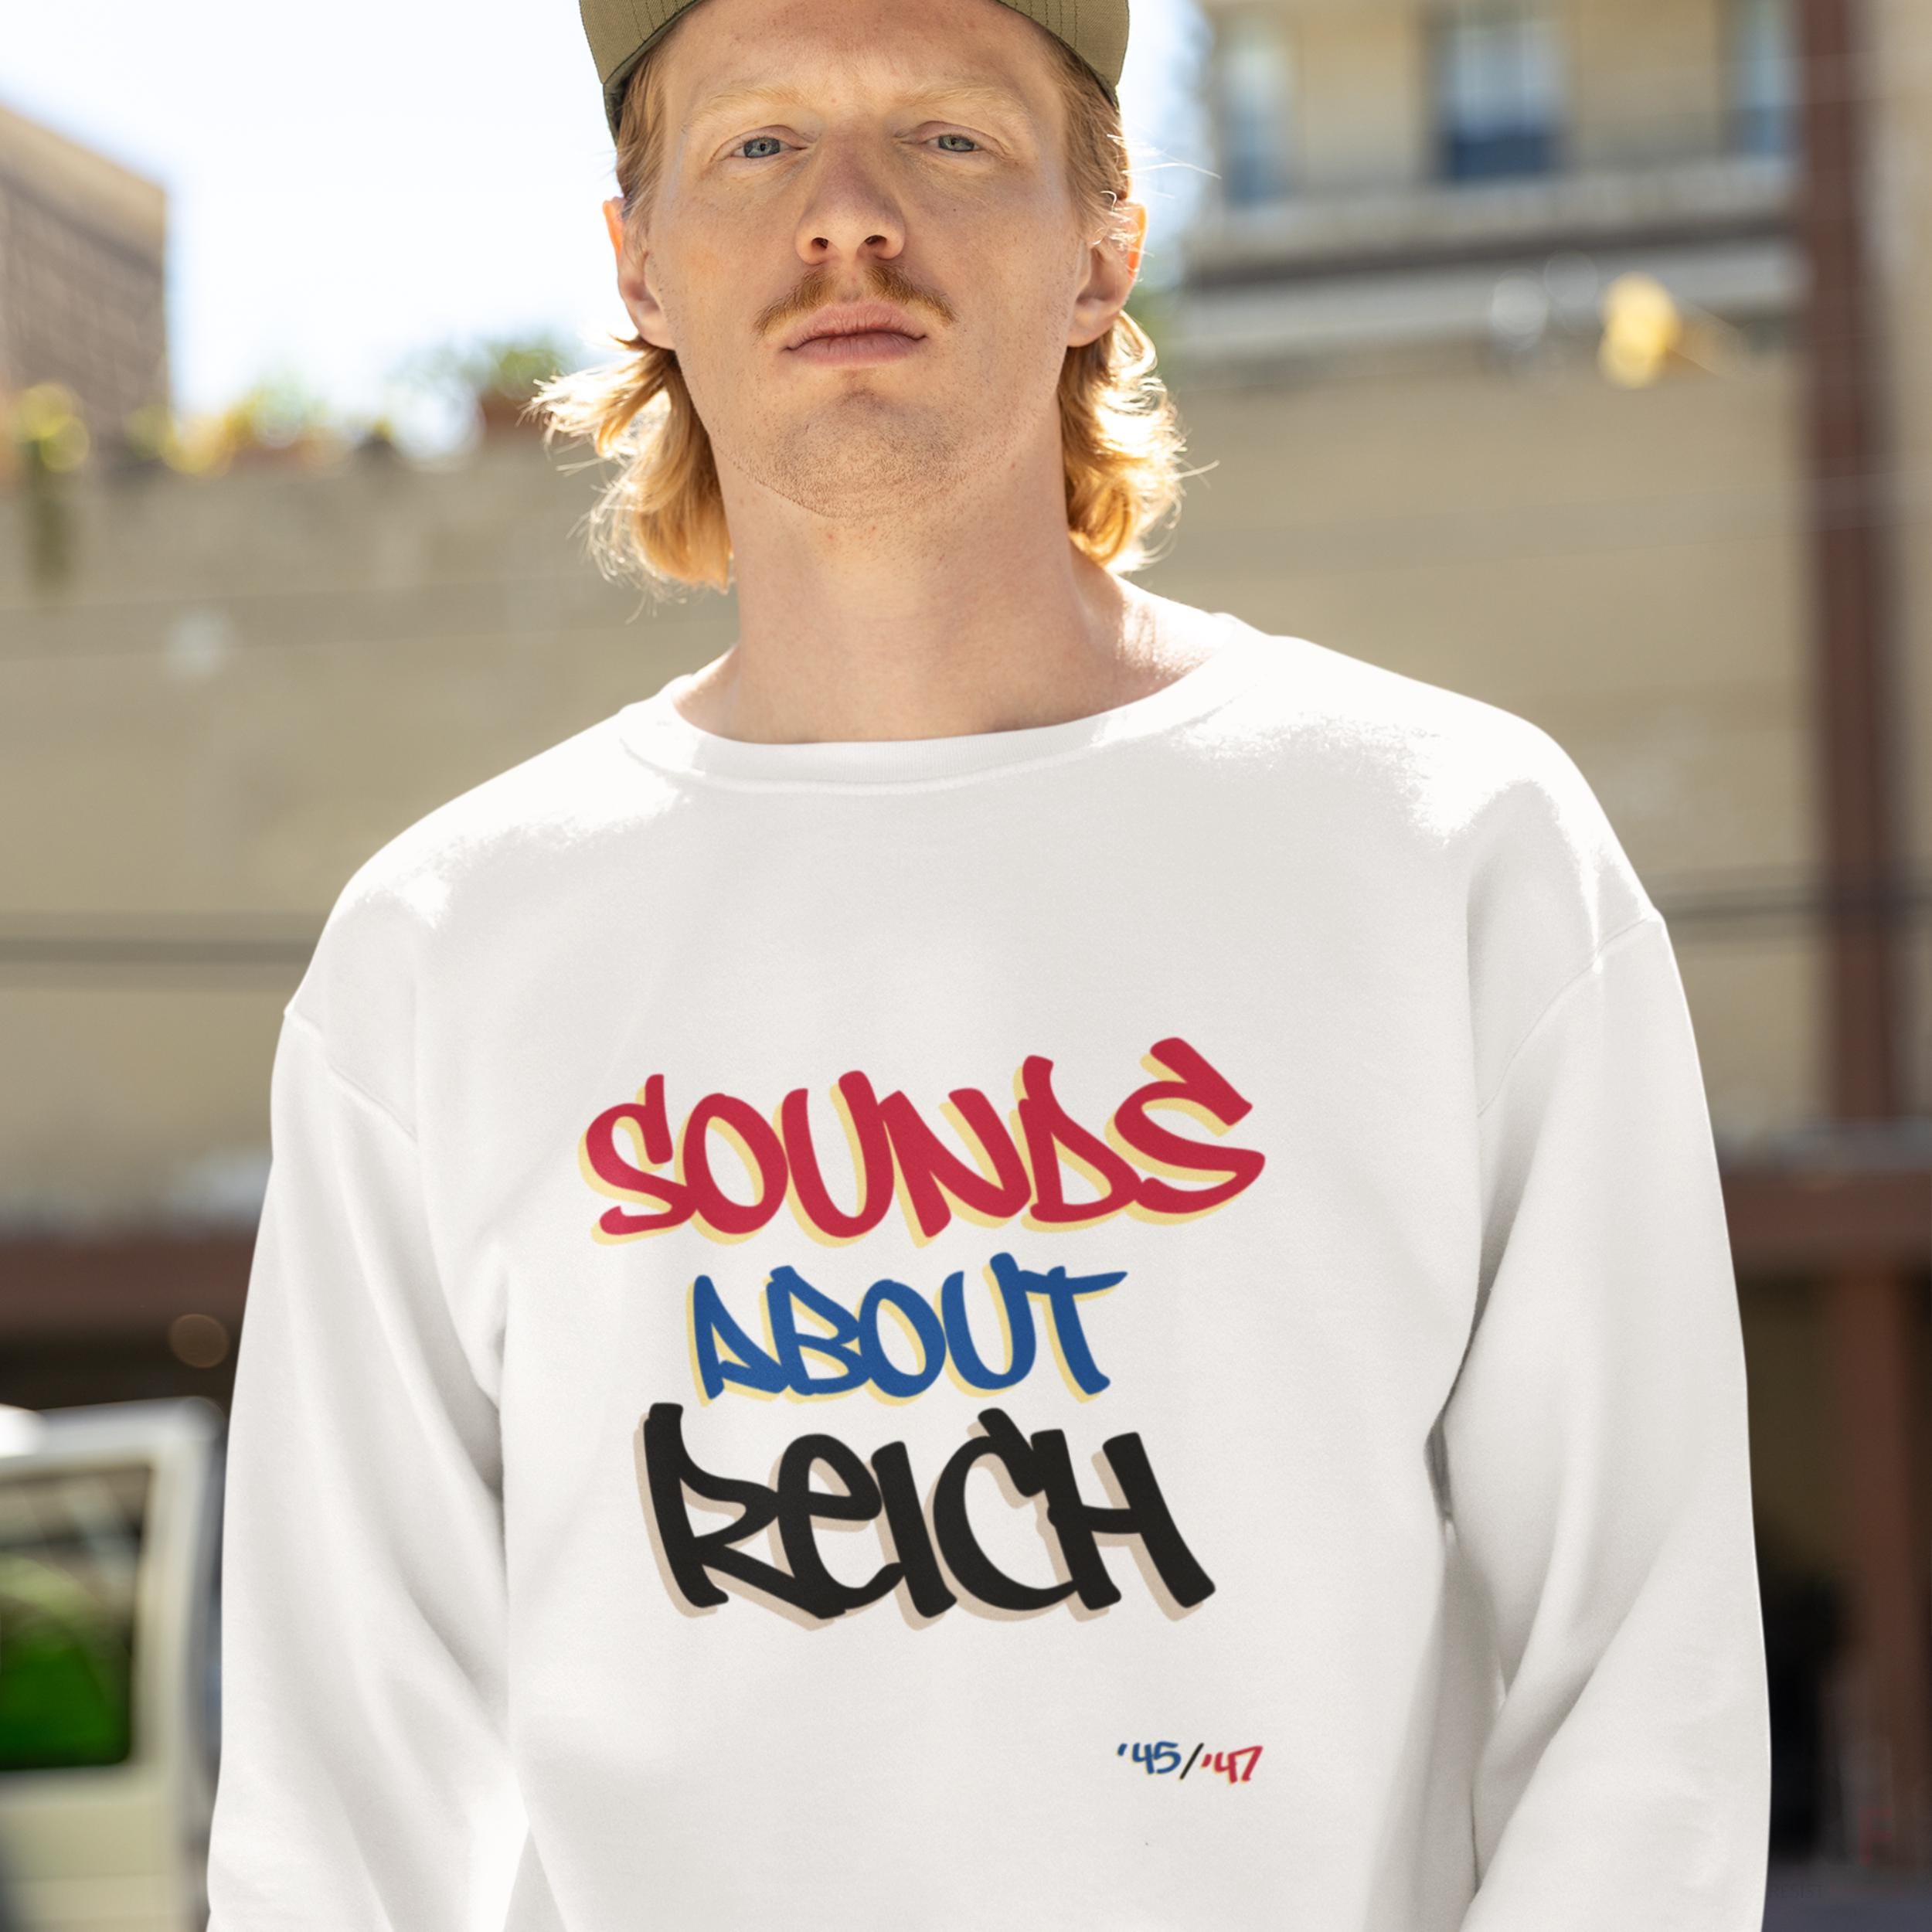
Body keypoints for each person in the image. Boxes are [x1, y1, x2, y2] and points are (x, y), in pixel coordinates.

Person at [202, 0, 1772, 1925]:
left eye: (947, 137)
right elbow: (340, 1803)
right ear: (638, 265)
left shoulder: (1445, 843)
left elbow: (1637, 1689)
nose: (847, 213)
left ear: (1103, 243)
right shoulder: (444, 953)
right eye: (757, 144)